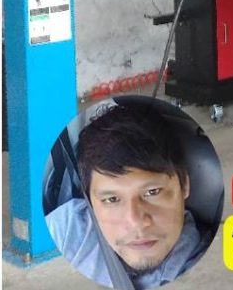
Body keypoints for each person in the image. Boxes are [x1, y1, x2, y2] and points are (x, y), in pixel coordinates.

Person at [46, 102, 210, 288]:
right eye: (112, 199)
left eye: (152, 192)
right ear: (90, 202)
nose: (135, 221)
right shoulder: (69, 229)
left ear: (184, 185)